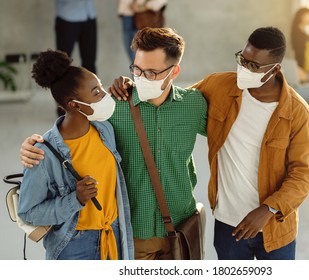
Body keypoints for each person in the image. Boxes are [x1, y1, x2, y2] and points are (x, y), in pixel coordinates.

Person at [108, 26, 309, 260]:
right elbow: (171, 102)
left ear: (275, 69)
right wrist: (132, 85)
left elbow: (304, 174)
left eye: (253, 66)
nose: (243, 69)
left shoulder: (298, 114)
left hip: (275, 229)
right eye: (242, 59)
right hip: (229, 225)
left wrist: (268, 209)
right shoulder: (220, 86)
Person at [19, 28, 208, 260]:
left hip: (182, 229)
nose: (141, 77)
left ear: (174, 71)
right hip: (132, 236)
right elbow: (68, 128)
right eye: (136, 69)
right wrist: (32, 146)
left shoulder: (194, 105)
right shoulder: (114, 110)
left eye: (151, 72)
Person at [17, 49, 134, 260]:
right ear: (73, 104)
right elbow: (28, 212)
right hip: (76, 246)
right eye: (96, 92)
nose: (104, 95)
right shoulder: (43, 153)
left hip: (115, 234)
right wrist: (75, 199)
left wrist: (128, 86)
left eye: (100, 86)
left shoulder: (105, 130)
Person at [55, 0, 98, 116]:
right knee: (62, 65)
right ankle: (63, 107)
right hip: (68, 17)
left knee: (90, 62)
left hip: (90, 16)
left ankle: (92, 104)